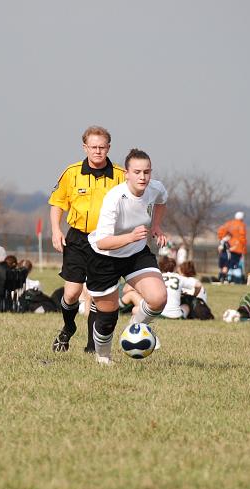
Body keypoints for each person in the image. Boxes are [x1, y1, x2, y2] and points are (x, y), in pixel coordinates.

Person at [86, 148, 168, 365]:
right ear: (126, 173)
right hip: (104, 258)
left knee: (158, 298)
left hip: (136, 254)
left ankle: (136, 325)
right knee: (107, 318)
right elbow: (103, 241)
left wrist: (156, 225)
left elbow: (161, 200)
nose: (143, 177)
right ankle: (103, 357)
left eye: (147, 172)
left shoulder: (154, 188)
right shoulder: (114, 198)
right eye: (137, 172)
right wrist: (131, 236)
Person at [49, 125, 125, 353]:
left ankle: (93, 346)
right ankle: (68, 327)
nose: (98, 151)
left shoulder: (121, 176)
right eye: (93, 147)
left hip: (105, 241)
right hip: (78, 239)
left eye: (102, 147)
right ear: (85, 147)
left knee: (97, 294)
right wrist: (55, 230)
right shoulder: (71, 173)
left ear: (108, 148)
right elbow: (57, 203)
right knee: (71, 293)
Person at [217, 211, 247, 283]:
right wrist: (243, 247)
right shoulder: (241, 225)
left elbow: (220, 232)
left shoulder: (228, 223)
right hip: (237, 249)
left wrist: (222, 240)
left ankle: (224, 278)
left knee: (225, 265)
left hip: (226, 249)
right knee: (234, 265)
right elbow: (242, 237)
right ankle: (232, 279)